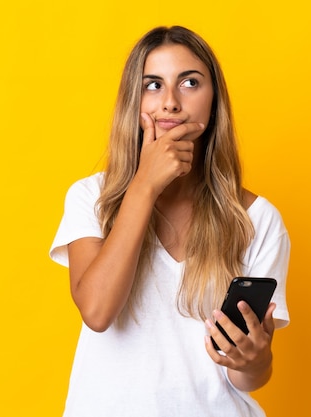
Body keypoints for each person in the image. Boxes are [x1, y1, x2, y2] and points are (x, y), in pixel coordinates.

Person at [50, 25, 290, 417]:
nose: (170, 103)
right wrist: (144, 185)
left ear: (214, 101)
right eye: (153, 85)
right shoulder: (91, 198)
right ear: (133, 99)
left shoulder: (256, 219)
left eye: (190, 83)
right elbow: (96, 311)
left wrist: (254, 361)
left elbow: (248, 378)